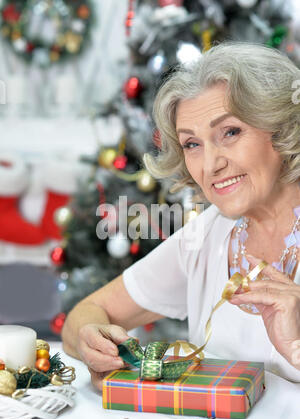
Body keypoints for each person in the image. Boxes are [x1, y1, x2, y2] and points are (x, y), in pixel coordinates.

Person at [62, 41, 300, 387]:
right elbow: (83, 317)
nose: (211, 164)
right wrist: (92, 341)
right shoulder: (206, 236)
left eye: (230, 132)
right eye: (192, 144)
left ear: (281, 130)